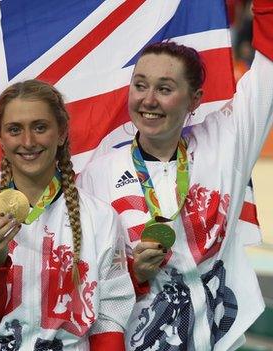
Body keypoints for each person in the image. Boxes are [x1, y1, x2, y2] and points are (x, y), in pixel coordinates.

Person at [77, 1, 272, 349]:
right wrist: (134, 276)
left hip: (222, 338)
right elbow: (84, 283)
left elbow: (269, 63)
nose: (148, 100)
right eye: (140, 85)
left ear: (194, 99)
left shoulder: (225, 141)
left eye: (164, 89)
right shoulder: (98, 175)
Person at [0, 79, 135, 350]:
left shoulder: (101, 217)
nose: (28, 141)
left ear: (61, 133)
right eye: (14, 130)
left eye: (40, 127)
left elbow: (109, 318)